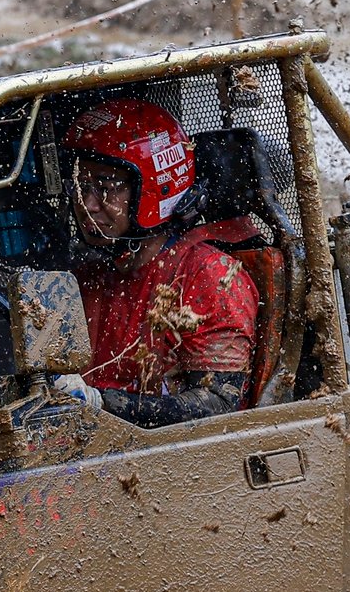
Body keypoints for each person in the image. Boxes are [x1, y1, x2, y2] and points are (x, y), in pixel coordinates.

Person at [57, 96, 258, 426]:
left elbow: (217, 406)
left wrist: (101, 402)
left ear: (155, 186)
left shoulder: (210, 276)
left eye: (105, 187)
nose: (87, 204)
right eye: (80, 185)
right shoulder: (88, 279)